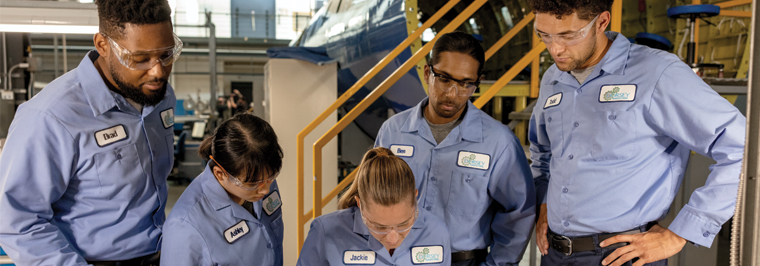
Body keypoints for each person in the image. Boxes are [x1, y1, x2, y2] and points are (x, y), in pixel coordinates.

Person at [527, 0, 746, 265]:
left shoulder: (656, 73)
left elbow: (742, 147)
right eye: (544, 35)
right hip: (555, 252)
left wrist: (680, 233)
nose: (555, 48)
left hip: (622, 255)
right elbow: (543, 152)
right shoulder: (553, 78)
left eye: (568, 36)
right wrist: (544, 203)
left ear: (602, 22)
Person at [0, 0, 179, 265]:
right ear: (103, 45)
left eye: (166, 55)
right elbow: (17, 221)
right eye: (140, 59)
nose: (158, 71)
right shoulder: (51, 116)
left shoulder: (159, 96)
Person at [375, 32, 536, 266]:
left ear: (477, 83)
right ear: (428, 73)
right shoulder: (392, 132)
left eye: (465, 84)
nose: (452, 93)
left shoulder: (498, 143)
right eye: (444, 79)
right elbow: (372, 198)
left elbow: (518, 213)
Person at [161, 113, 284, 265]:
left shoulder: (262, 180)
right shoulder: (184, 226)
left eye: (272, 176)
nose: (266, 190)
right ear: (220, 174)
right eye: (252, 183)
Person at [297, 147, 451, 265]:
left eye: (404, 224)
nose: (392, 239)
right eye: (379, 227)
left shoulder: (436, 231)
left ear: (415, 197)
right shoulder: (326, 231)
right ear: (360, 204)